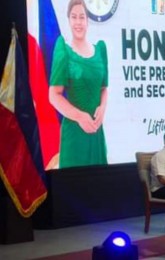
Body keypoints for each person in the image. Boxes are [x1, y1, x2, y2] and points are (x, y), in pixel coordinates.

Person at [49, 0, 108, 168]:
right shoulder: (64, 51)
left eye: (82, 17)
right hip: (74, 132)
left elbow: (104, 88)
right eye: (74, 17)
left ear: (87, 21)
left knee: (98, 185)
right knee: (74, 187)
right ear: (69, 20)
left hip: (96, 131)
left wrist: (103, 107)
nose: (78, 22)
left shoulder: (100, 50)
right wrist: (80, 116)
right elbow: (53, 95)